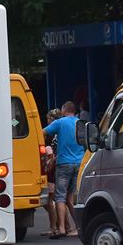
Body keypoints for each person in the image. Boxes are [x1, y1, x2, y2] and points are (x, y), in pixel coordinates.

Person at [43, 100, 83, 238]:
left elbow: (43, 132)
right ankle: (79, 228)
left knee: (60, 196)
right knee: (75, 197)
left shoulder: (59, 123)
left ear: (64, 110)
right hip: (79, 162)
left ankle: (60, 228)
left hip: (64, 162)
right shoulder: (80, 123)